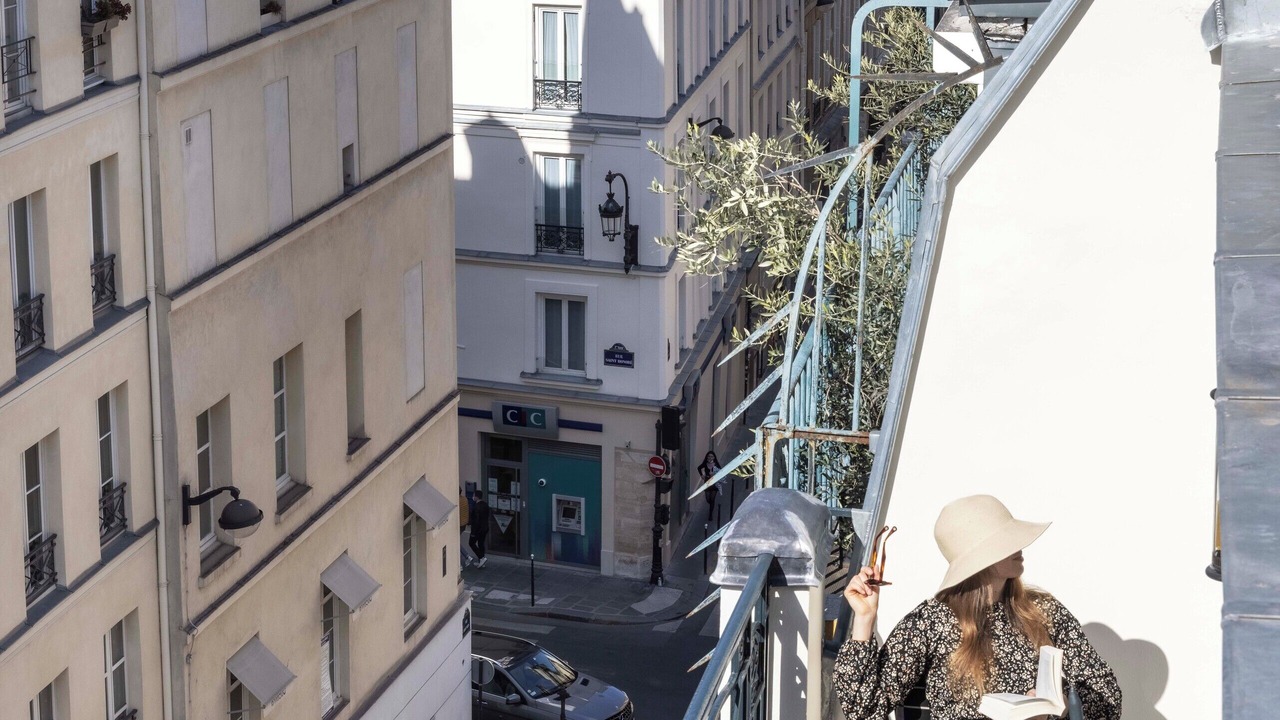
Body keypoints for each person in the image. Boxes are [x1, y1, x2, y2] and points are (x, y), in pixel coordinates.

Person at [835, 495, 1121, 720]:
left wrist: (1053, 711)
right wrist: (864, 619)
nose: (1019, 545)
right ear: (979, 559)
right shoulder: (933, 621)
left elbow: (1106, 698)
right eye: (1004, 540)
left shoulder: (1044, 611)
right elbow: (864, 709)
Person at [697, 451, 722, 522]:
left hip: (714, 483)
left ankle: (710, 514)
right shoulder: (705, 464)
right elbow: (699, 468)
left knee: (712, 499)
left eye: (711, 456)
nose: (710, 457)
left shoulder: (716, 464)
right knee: (708, 499)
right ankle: (712, 505)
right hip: (707, 482)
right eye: (709, 456)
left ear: (714, 457)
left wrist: (714, 474)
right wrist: (702, 475)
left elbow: (720, 471)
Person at [469, 491, 491, 568]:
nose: (473, 497)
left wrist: (473, 532)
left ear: (477, 497)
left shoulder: (476, 507)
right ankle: (482, 562)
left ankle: (481, 558)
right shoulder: (485, 505)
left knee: (471, 543)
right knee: (481, 543)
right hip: (485, 528)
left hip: (478, 529)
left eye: (474, 495)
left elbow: (475, 521)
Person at [459, 487, 478, 568]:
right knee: (456, 542)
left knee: (455, 543)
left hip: (458, 524)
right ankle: (467, 556)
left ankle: (466, 557)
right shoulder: (465, 499)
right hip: (464, 524)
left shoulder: (457, 501)